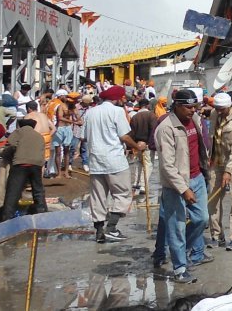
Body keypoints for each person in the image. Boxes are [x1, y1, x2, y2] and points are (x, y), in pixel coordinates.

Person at [155, 90, 212, 283]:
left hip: (197, 177)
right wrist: (183, 188)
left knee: (202, 219)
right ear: (176, 105)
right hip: (176, 185)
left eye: (194, 106)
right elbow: (167, 166)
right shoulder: (166, 128)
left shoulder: (194, 118)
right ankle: (180, 268)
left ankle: (179, 250)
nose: (192, 110)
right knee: (176, 226)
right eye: (188, 107)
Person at [84, 85, 145, 243]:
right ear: (117, 98)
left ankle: (99, 231)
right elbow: (124, 136)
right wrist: (137, 146)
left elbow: (84, 137)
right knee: (123, 193)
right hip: (114, 159)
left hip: (95, 160)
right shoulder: (117, 111)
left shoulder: (90, 112)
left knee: (98, 196)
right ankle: (111, 227)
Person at [207, 92, 232, 251]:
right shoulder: (214, 114)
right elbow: (211, 137)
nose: (219, 111)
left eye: (221, 109)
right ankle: (216, 235)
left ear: (229, 106)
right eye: (217, 108)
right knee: (213, 201)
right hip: (216, 162)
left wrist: (229, 170)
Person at [128, 99, 157, 196]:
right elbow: (154, 131)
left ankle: (136, 183)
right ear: (148, 105)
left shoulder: (135, 116)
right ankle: (143, 185)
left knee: (139, 163)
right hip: (147, 144)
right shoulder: (151, 115)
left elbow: (131, 133)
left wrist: (133, 145)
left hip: (137, 144)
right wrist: (151, 144)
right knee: (148, 164)